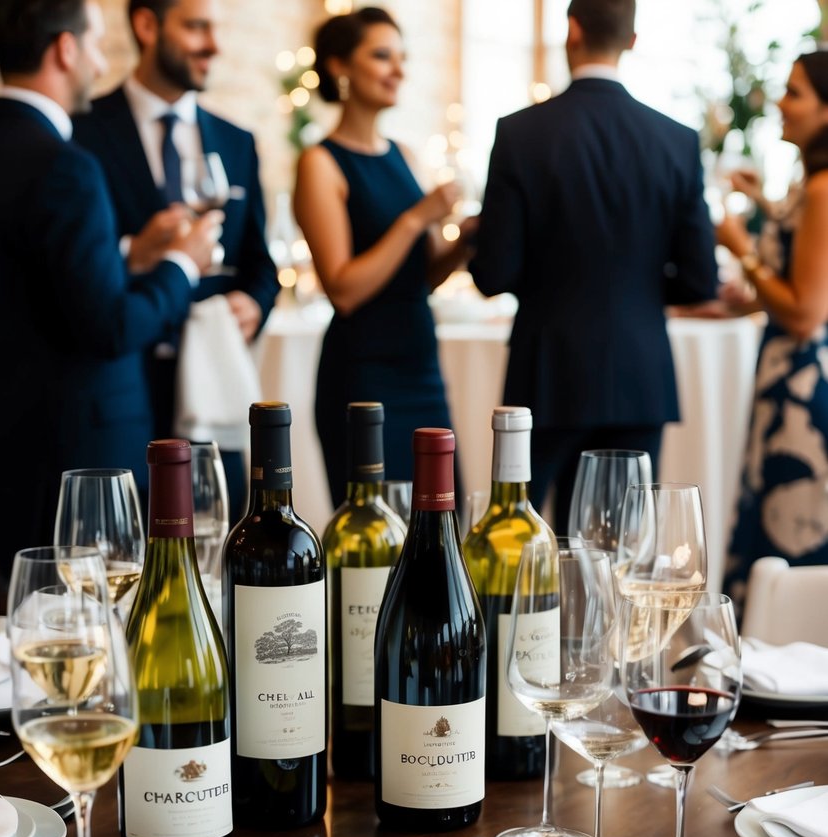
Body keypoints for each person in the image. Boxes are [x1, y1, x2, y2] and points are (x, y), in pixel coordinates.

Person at [469, 0, 718, 533]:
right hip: (639, 371)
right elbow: (701, 280)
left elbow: (493, 275)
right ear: (632, 41)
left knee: (525, 546)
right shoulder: (676, 140)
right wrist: (638, 289)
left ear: (572, 31)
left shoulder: (520, 133)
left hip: (547, 368)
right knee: (623, 550)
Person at [0, 0, 217, 586]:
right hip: (70, 453)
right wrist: (181, 265)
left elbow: (29, 274)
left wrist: (127, 254)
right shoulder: (66, 165)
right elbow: (109, 327)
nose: (100, 62)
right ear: (65, 50)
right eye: (95, 44)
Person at [73, 0, 278, 523]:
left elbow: (262, 266)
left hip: (212, 392)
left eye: (215, 28)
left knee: (219, 558)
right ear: (146, 25)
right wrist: (135, 253)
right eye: (195, 27)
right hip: (119, 393)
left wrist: (253, 304)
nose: (213, 44)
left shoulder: (237, 142)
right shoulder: (82, 131)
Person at [293, 6, 474, 508]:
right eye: (381, 56)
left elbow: (424, 275)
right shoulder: (320, 163)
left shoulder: (405, 156)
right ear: (339, 67)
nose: (398, 70)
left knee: (440, 525)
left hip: (421, 367)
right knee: (373, 537)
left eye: (402, 58)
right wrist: (417, 218)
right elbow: (345, 289)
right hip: (363, 376)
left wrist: (464, 240)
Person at [716, 50, 828, 617]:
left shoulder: (825, 189)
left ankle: (789, 669)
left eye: (795, 92)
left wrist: (740, 247)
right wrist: (763, 204)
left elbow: (806, 312)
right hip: (786, 375)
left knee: (792, 526)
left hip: (804, 390)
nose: (781, 103)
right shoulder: (810, 186)